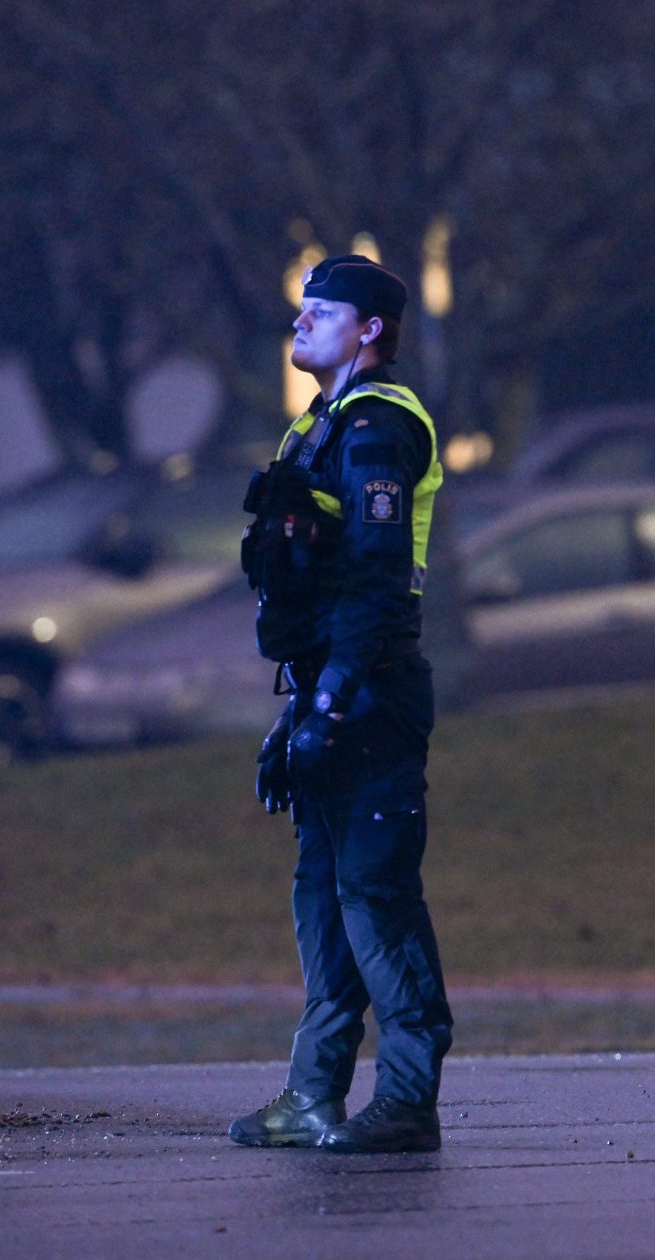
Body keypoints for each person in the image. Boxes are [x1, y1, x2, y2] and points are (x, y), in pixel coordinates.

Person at [230, 255, 453, 1154]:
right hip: (330, 686)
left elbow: (373, 578)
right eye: (301, 309)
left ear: (370, 331)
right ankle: (313, 1093)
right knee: (322, 895)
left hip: (370, 692)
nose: (302, 322)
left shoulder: (376, 427)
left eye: (323, 312)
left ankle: (406, 1098)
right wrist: (302, 712)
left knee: (375, 892)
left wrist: (329, 703)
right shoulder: (314, 427)